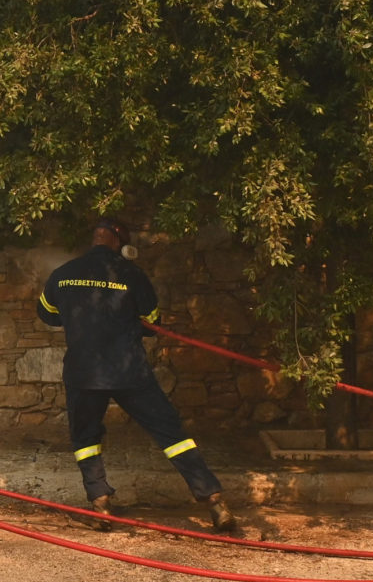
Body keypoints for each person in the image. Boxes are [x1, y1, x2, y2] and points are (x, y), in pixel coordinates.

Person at [36, 217, 237, 532]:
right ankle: (214, 501)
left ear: (95, 239)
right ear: (117, 241)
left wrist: (82, 321)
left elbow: (47, 315)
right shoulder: (132, 274)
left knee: (85, 439)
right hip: (129, 372)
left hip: (83, 372)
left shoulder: (63, 275)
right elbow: (151, 321)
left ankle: (100, 504)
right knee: (172, 435)